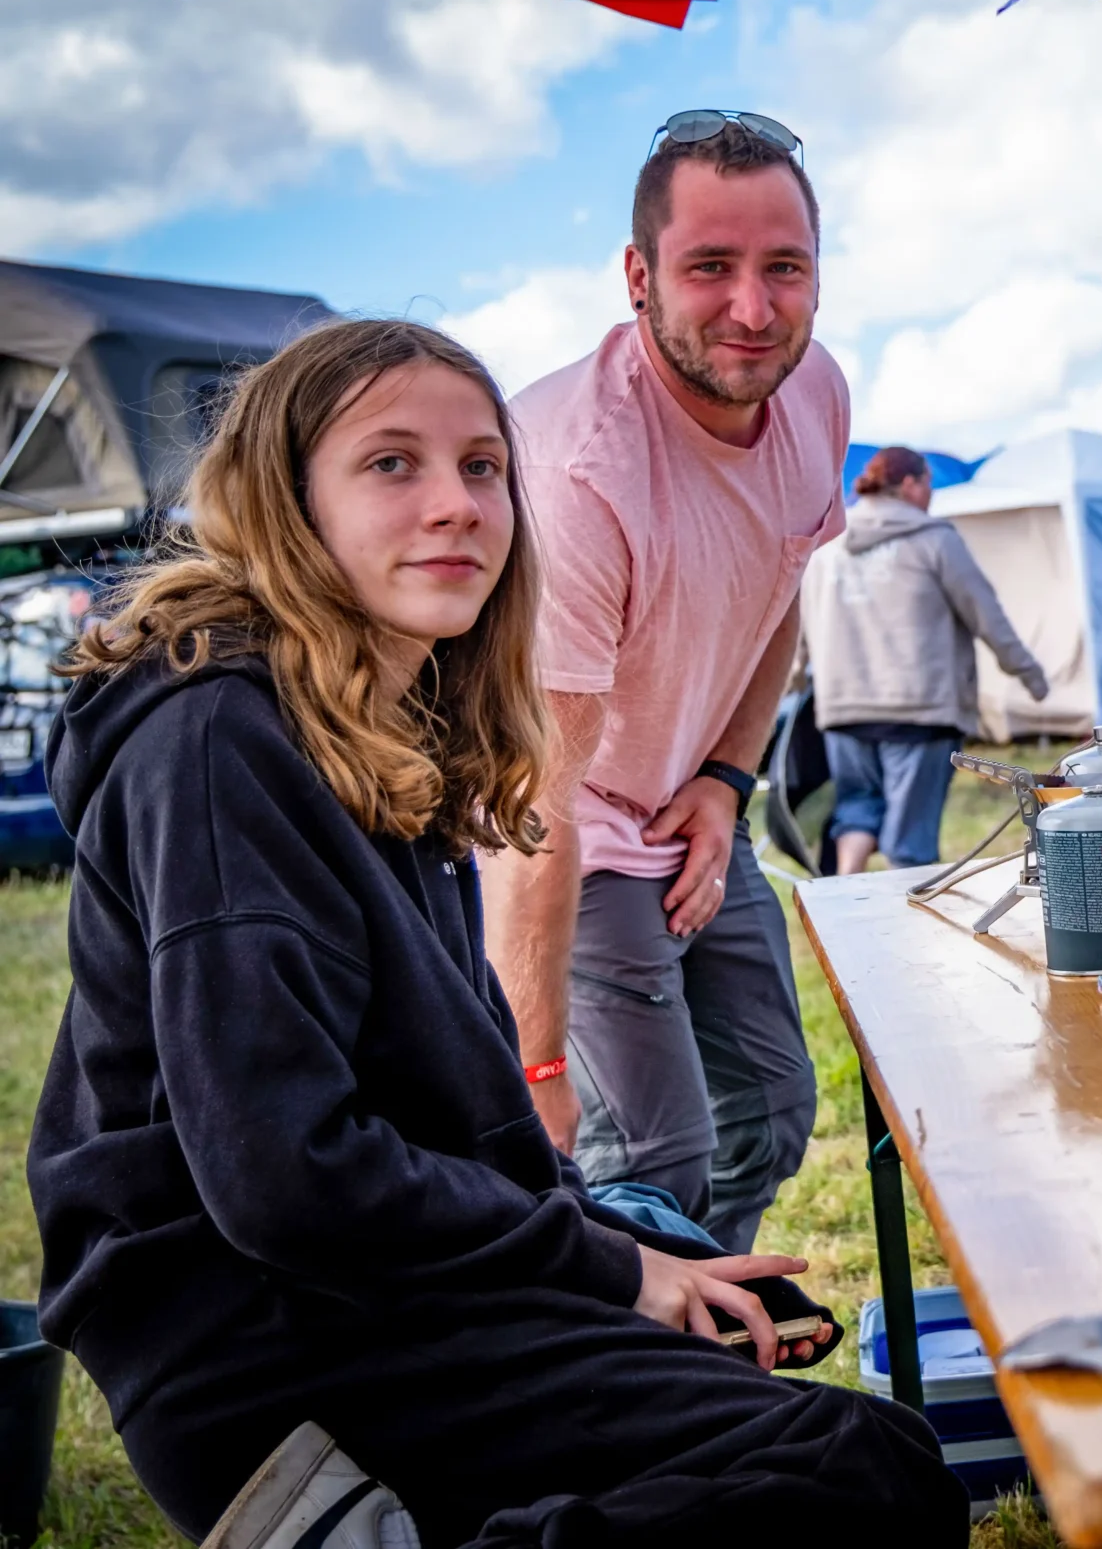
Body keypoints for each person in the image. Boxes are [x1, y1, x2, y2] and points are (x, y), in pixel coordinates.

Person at [25, 320, 966, 1546]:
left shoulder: (378, 728)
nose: (457, 505)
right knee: (858, 1474)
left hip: (387, 1288)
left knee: (845, 1433)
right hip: (263, 1348)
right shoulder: (217, 742)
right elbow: (282, 1175)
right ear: (286, 500)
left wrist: (611, 1241)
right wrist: (612, 1274)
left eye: (482, 467)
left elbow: (442, 1112)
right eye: (390, 464)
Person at [486, 111, 840, 1252]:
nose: (753, 309)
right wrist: (535, 1064)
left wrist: (728, 779)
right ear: (639, 277)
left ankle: (704, 1330)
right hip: (567, 834)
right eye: (710, 268)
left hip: (690, 805)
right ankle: (630, 1391)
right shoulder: (577, 473)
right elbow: (529, 806)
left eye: (782, 267)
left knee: (772, 1119)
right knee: (645, 1161)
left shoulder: (815, 392)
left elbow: (779, 584)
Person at [800, 445, 1047, 874]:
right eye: (929, 484)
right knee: (909, 837)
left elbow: (799, 628)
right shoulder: (935, 541)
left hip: (842, 708)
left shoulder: (828, 547)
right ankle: (903, 925)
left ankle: (843, 904)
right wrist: (1028, 673)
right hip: (920, 709)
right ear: (911, 485)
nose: (931, 495)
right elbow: (985, 614)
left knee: (856, 811)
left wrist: (787, 686)